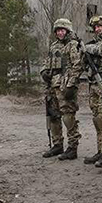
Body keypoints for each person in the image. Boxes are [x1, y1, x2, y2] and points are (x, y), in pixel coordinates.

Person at [41, 18, 83, 161]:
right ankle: (57, 144)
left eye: (62, 30)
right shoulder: (53, 46)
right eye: (58, 30)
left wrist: (71, 85)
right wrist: (43, 72)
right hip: (52, 86)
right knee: (53, 116)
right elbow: (46, 62)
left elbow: (77, 66)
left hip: (65, 85)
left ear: (67, 31)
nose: (60, 33)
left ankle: (72, 147)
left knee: (68, 116)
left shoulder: (73, 45)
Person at [82, 15, 102, 168]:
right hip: (94, 83)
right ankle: (100, 149)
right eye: (95, 27)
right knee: (97, 118)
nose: (96, 30)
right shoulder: (94, 41)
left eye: (99, 27)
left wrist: (86, 48)